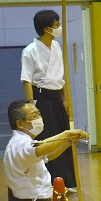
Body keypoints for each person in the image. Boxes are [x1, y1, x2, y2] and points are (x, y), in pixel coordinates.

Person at [21, 10, 76, 189]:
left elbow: (60, 77)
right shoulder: (30, 51)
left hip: (57, 99)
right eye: (56, 25)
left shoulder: (56, 46)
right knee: (49, 140)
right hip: (42, 100)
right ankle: (49, 182)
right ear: (46, 29)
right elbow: (26, 81)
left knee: (64, 139)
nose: (59, 28)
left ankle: (66, 181)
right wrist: (31, 108)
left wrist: (65, 100)